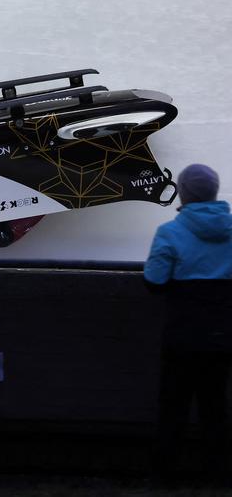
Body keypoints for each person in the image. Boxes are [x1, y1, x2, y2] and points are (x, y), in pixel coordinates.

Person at [144, 163, 232, 484]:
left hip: (182, 333)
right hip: (223, 333)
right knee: (216, 406)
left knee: (173, 407)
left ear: (183, 192)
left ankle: (164, 474)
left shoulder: (170, 232)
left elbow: (154, 281)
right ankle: (218, 473)